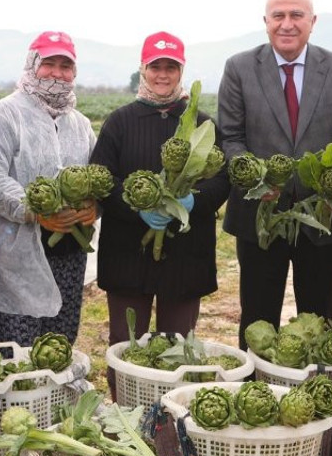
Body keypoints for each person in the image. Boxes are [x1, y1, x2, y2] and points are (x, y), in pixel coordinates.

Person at [218, 0, 332, 347]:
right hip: (260, 216)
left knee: (320, 322)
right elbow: (231, 138)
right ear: (265, 22)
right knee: (257, 320)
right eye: (278, 16)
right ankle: (257, 394)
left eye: (296, 15)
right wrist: (255, 181)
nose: (287, 24)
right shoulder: (239, 68)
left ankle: (317, 396)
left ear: (312, 22)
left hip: (324, 218)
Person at [90, 32, 230, 390]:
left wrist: (193, 203)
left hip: (185, 255)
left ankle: (170, 426)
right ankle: (124, 421)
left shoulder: (202, 123)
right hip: (127, 252)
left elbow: (223, 177)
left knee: (178, 352)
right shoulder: (120, 122)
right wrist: (136, 207)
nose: (162, 75)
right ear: (143, 70)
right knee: (125, 346)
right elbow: (101, 178)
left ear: (181, 71)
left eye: (171, 67)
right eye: (156, 67)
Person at [0, 31, 96, 346]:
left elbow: (96, 176)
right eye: (49, 63)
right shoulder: (3, 115)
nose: (57, 73)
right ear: (32, 64)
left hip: (69, 250)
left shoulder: (81, 125)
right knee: (17, 343)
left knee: (58, 341)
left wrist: (94, 205)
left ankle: (56, 395)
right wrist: (35, 211)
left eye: (66, 66)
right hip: (14, 251)